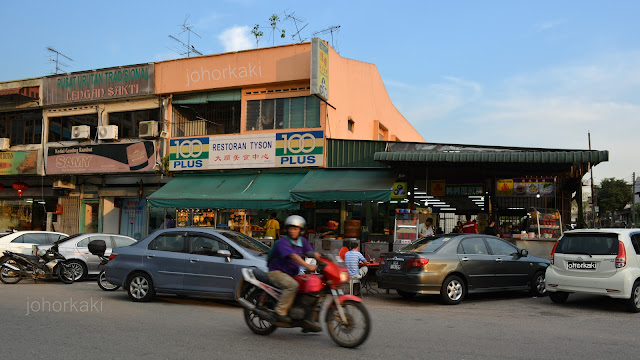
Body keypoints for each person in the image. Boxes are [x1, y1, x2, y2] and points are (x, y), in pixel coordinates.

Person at [267, 215, 321, 331]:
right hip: (276, 272)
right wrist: (308, 266)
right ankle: (280, 311)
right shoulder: (283, 241)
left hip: (292, 274)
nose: (292, 231)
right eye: (290, 228)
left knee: (311, 288)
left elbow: (312, 253)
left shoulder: (303, 241)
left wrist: (325, 261)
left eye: (295, 229)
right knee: (293, 285)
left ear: (301, 230)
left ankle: (306, 319)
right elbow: (293, 256)